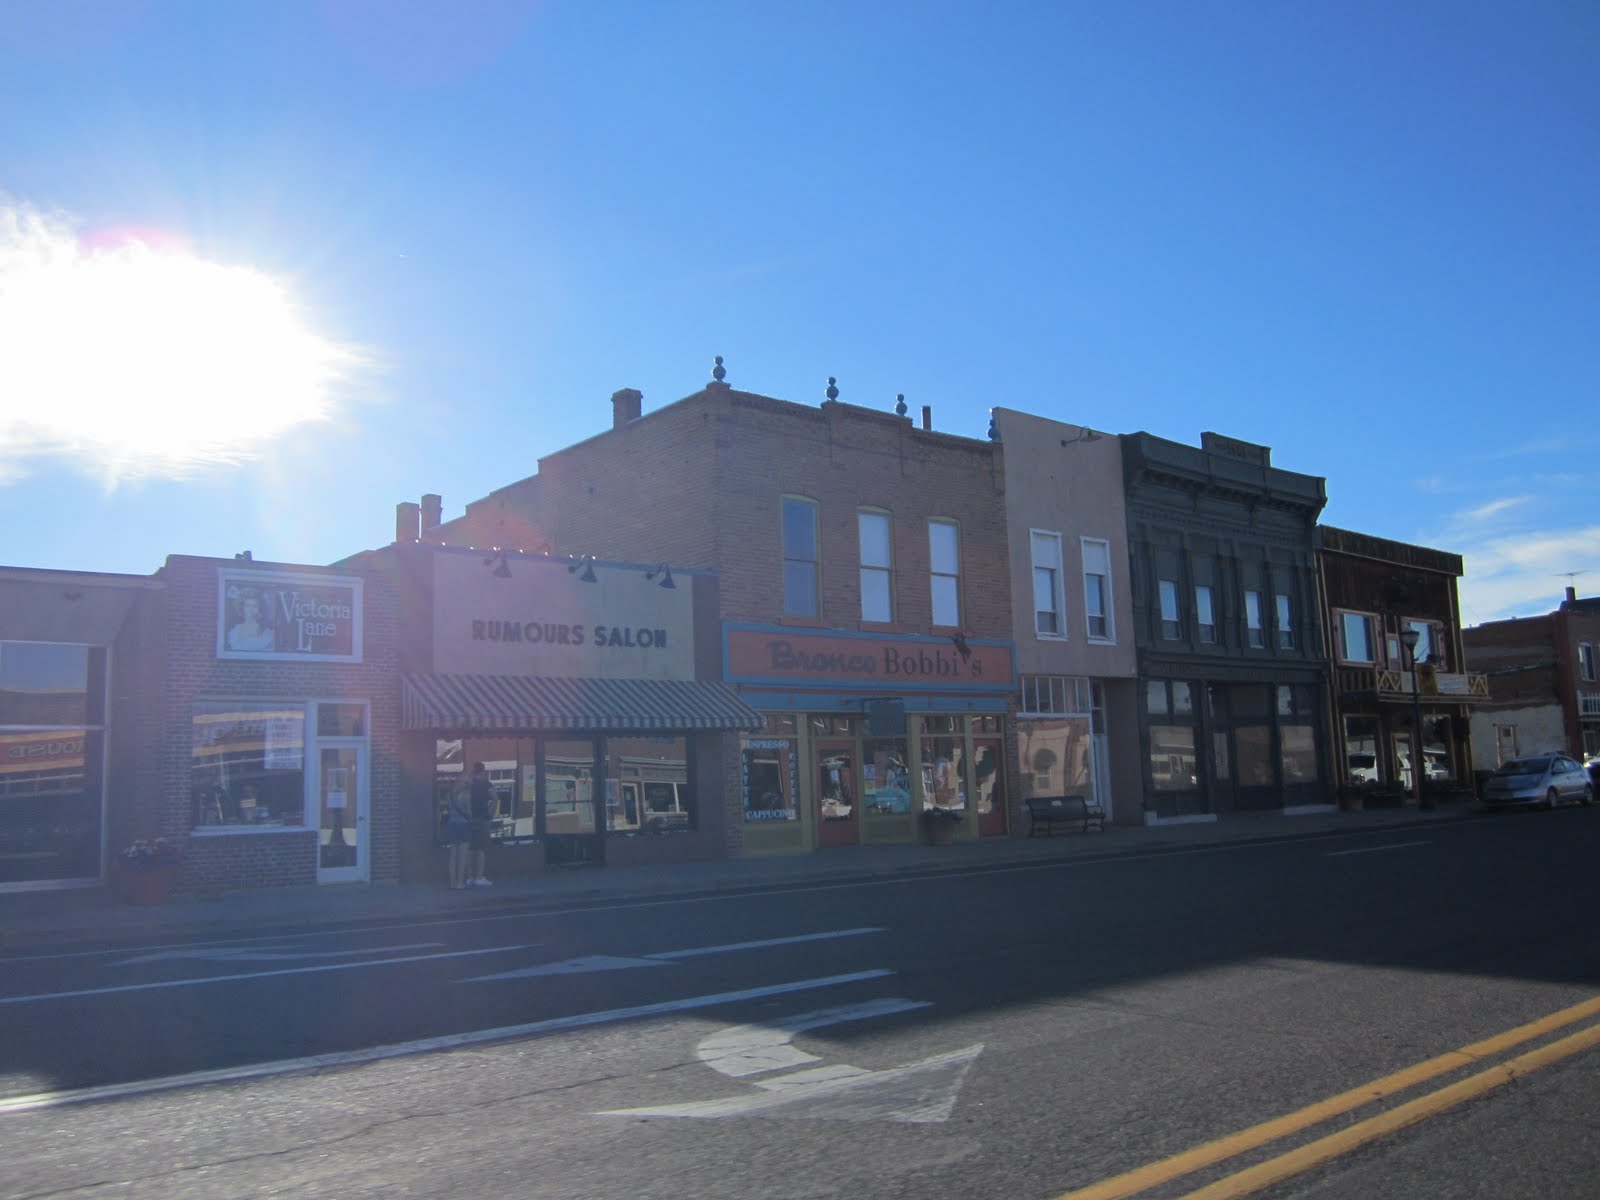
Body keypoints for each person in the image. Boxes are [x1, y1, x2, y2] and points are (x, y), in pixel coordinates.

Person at [467, 761, 494, 886]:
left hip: (470, 819)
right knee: (481, 849)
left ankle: (470, 877)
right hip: (483, 818)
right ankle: (479, 877)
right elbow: (495, 797)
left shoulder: (469, 785)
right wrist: (491, 813)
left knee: (471, 849)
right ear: (483, 771)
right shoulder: (486, 784)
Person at [443, 785, 471, 889]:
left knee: (452, 856)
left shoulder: (448, 795)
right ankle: (460, 883)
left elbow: (447, 810)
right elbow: (469, 812)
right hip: (463, 825)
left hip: (452, 824)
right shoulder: (466, 794)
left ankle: (452, 883)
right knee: (462, 856)